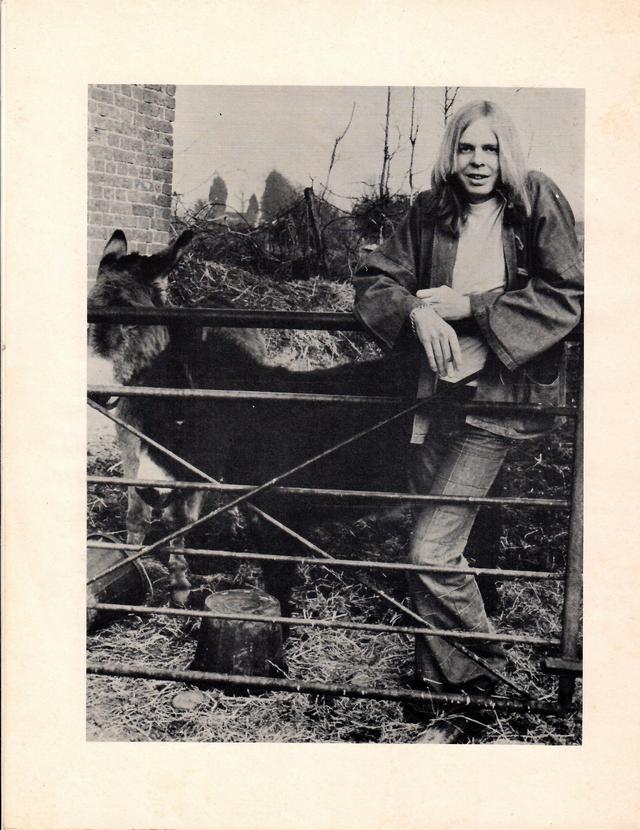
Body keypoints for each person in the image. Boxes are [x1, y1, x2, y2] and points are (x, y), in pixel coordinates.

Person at [353, 100, 583, 696]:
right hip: (435, 399)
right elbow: (375, 278)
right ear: (450, 154)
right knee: (433, 543)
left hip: (497, 402)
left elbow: (566, 294)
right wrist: (415, 312)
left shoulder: (535, 199)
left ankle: (486, 677)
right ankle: (440, 683)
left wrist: (471, 307)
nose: (478, 161)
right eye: (466, 148)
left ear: (508, 154)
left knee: (430, 549)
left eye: (490, 148)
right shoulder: (431, 210)